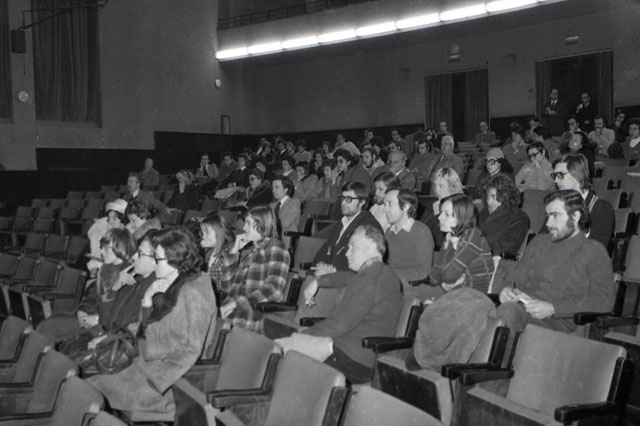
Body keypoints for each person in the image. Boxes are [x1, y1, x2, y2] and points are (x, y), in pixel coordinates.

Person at [88, 228, 217, 415]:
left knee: (93, 391)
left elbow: (190, 349)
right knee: (91, 386)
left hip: (169, 381)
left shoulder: (193, 293)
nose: (154, 263)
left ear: (175, 260)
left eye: (158, 259)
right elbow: (149, 329)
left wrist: (155, 384)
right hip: (148, 363)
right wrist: (148, 299)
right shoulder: (171, 285)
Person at [283, 225, 402, 384]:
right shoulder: (382, 273)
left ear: (371, 247)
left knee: (279, 349)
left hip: (350, 358)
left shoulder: (369, 279)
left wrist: (304, 334)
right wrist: (319, 281)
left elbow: (338, 325)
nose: (347, 253)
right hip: (359, 355)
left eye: (353, 247)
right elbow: (348, 277)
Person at [498, 190, 613, 333]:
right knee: (474, 301)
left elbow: (604, 300)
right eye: (547, 216)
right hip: (520, 312)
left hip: (556, 324)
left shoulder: (594, 250)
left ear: (575, 216)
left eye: (555, 216)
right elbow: (515, 278)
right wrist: (506, 290)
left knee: (506, 314)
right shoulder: (539, 242)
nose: (548, 223)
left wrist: (553, 308)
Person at [37, 228, 138, 343]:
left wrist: (97, 318)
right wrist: (82, 310)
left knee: (49, 327)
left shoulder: (128, 276)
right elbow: (92, 295)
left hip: (104, 327)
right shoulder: (106, 269)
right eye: (102, 247)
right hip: (89, 318)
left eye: (106, 248)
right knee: (47, 326)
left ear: (120, 249)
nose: (102, 252)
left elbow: (119, 310)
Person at [218, 206, 290, 332]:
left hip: (250, 317)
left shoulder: (276, 248)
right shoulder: (250, 251)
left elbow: (274, 290)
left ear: (261, 224)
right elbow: (226, 287)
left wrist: (236, 304)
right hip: (229, 314)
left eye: (248, 223)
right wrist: (234, 251)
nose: (244, 228)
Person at [430, 194, 494, 293]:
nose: (439, 217)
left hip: (474, 294)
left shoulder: (473, 236)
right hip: (456, 292)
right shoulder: (451, 236)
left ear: (461, 217)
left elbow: (449, 275)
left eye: (446, 214)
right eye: (441, 212)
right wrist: (446, 247)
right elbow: (433, 278)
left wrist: (446, 280)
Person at [314, 181, 382, 272]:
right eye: (342, 198)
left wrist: (333, 271)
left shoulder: (369, 226)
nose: (343, 203)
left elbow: (363, 265)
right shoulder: (342, 223)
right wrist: (319, 265)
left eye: (349, 199)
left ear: (362, 202)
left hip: (347, 277)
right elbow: (324, 251)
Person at [551, 154, 615, 249]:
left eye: (560, 175)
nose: (556, 181)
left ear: (577, 175)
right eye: (554, 176)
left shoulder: (601, 208)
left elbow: (595, 249)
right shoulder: (557, 206)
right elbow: (541, 240)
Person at [384, 189, 434, 297]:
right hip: (390, 282)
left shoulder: (421, 231)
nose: (385, 210)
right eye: (384, 204)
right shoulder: (388, 232)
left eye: (390, 204)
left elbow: (423, 271)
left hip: (410, 287)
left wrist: (391, 275)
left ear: (405, 206)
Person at [479, 174, 529, 256]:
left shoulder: (519, 217)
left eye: (494, 197)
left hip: (490, 258)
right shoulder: (484, 212)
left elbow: (505, 248)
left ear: (505, 197)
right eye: (488, 196)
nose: (490, 201)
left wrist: (477, 245)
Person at [420, 167, 464, 250]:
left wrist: (438, 214)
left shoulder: (460, 206)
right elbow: (421, 227)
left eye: (441, 186)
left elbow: (442, 238)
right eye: (435, 186)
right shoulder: (432, 205)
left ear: (452, 186)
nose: (437, 191)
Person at [200, 213, 235, 301]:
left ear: (219, 232)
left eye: (207, 232)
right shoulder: (208, 252)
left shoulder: (228, 254)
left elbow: (226, 288)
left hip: (218, 299)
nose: (203, 236)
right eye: (202, 233)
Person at [270, 175, 301, 249]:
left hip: (286, 239)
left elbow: (284, 223)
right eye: (273, 187)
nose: (273, 190)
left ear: (286, 189)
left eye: (277, 187)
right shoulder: (272, 205)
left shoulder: (294, 203)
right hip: (273, 237)